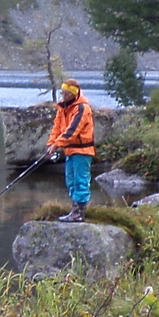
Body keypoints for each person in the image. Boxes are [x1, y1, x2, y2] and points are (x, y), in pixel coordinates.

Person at [46, 78, 95, 222]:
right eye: (63, 93)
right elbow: (57, 127)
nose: (64, 96)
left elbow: (72, 131)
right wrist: (51, 144)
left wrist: (57, 144)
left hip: (83, 151)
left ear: (74, 94)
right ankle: (74, 211)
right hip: (69, 151)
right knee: (71, 181)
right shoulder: (63, 108)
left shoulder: (82, 108)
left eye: (67, 94)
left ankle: (79, 213)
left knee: (81, 181)